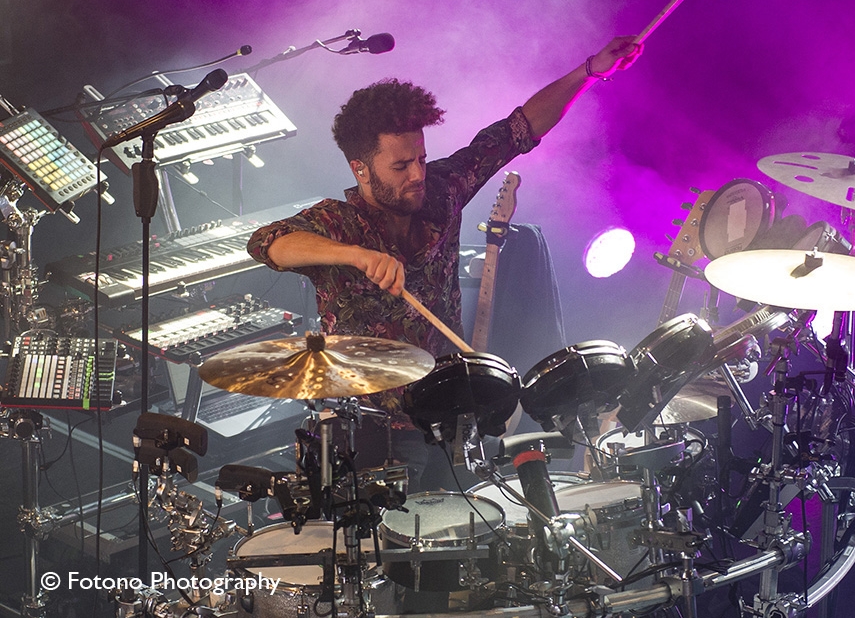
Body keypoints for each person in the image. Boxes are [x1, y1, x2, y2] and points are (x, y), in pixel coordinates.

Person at [247, 36, 643, 491]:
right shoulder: (339, 222)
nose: (418, 174)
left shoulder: (442, 189)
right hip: (370, 431)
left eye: (421, 158)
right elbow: (265, 243)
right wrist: (355, 255)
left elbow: (518, 129)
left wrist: (588, 71)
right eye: (401, 167)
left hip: (450, 417)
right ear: (361, 169)